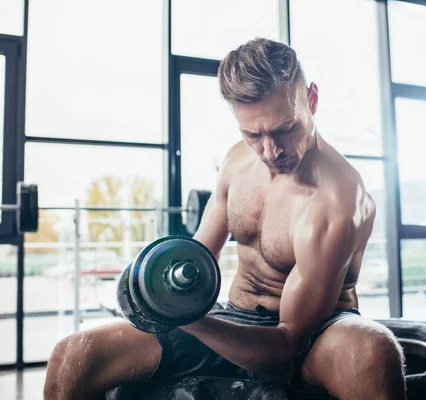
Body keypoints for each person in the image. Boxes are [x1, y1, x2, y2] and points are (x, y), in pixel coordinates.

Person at [43, 38, 406, 400]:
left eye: (284, 129)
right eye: (253, 134)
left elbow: (286, 348)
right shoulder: (236, 162)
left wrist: (191, 319)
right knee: (73, 354)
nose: (271, 150)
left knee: (372, 351)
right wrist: (159, 291)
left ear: (311, 100)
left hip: (313, 336)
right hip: (233, 317)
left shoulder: (335, 202)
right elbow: (197, 258)